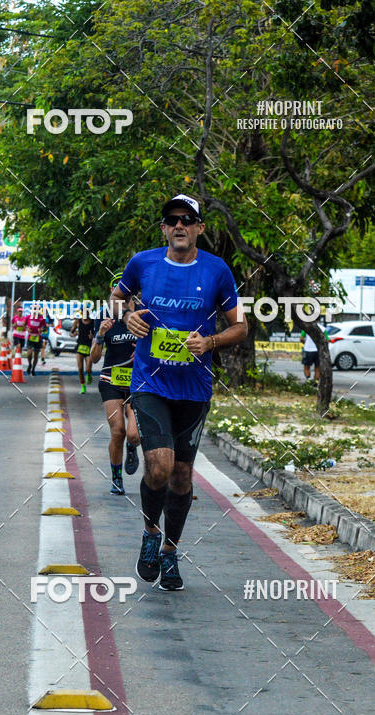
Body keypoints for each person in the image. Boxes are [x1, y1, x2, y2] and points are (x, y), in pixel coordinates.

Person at [110, 193, 247, 590]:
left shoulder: (217, 271)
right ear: (164, 228)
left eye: (187, 219)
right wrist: (128, 316)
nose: (179, 226)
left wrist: (211, 343)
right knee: (160, 467)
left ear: (200, 228)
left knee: (183, 476)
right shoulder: (143, 263)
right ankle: (150, 533)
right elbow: (117, 300)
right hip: (150, 383)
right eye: (172, 219)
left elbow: (241, 327)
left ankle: (170, 551)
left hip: (194, 389)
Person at [90, 287, 140, 494]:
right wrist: (101, 334)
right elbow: (94, 358)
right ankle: (116, 478)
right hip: (110, 381)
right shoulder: (103, 317)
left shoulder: (142, 315)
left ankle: (132, 448)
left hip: (137, 383)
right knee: (118, 431)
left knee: (134, 435)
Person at [70, 311, 95, 394]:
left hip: (89, 347)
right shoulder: (77, 321)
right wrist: (74, 334)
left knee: (87, 369)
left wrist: (93, 337)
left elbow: (97, 334)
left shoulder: (93, 322)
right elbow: (71, 333)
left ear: (88, 314)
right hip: (80, 347)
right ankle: (83, 386)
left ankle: (89, 374)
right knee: (80, 369)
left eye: (86, 313)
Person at [26, 305, 46, 375]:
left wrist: (41, 329)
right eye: (34, 309)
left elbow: (45, 328)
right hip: (30, 337)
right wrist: (27, 328)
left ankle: (33, 369)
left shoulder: (42, 318)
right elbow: (24, 325)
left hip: (38, 338)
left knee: (36, 355)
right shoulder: (28, 317)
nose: (35, 310)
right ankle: (29, 365)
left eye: (36, 309)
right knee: (29, 353)